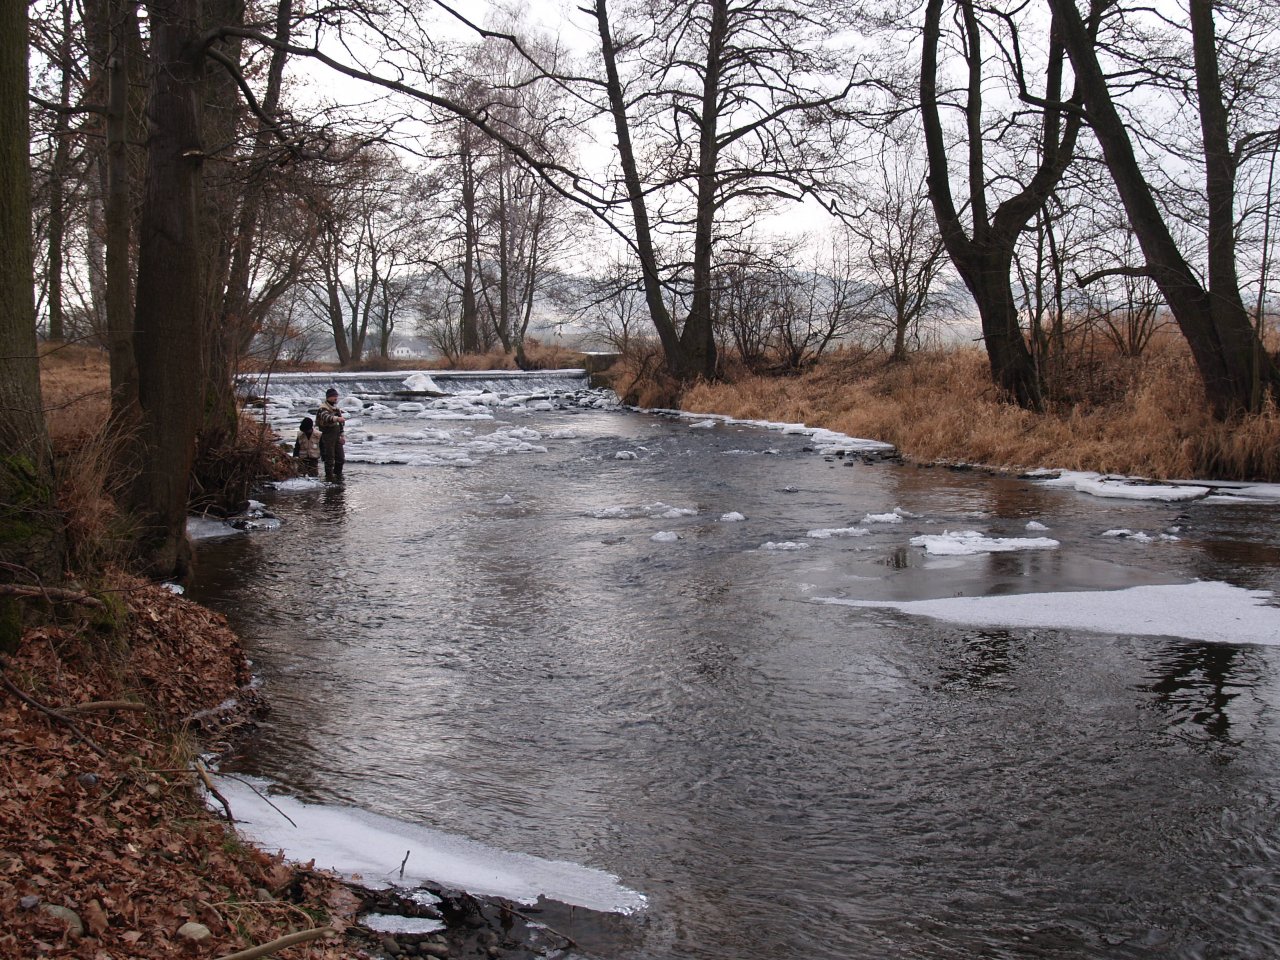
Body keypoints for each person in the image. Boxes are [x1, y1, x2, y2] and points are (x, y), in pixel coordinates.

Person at [316, 387, 346, 482]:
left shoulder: (336, 409)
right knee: (329, 459)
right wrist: (336, 418)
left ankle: (338, 476)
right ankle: (329, 478)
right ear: (328, 397)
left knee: (340, 458)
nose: (335, 398)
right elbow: (326, 417)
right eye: (333, 396)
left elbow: (341, 425)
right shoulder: (323, 408)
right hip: (327, 437)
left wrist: (342, 435)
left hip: (337, 437)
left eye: (336, 396)